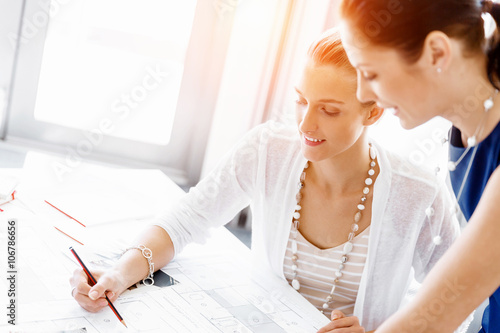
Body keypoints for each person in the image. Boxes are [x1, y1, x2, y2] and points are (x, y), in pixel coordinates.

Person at [70, 28, 459, 332]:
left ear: (373, 114)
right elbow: (187, 219)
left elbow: (459, 299)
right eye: (301, 100)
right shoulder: (268, 150)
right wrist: (120, 272)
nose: (305, 124)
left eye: (329, 110)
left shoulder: (418, 193)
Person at [338, 0, 500, 332]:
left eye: (370, 73)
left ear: (437, 53)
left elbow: (440, 312)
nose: (362, 93)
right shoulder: (466, 128)